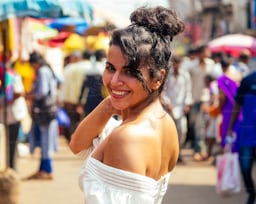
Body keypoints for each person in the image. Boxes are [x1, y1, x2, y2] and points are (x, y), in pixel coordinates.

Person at [69, 6, 184, 203]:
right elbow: (77, 145)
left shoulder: (128, 137)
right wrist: (113, 100)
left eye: (130, 72)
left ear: (157, 78)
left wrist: (118, 96)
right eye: (110, 68)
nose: (114, 81)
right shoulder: (165, 123)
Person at [25, 52, 59, 180]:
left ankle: (48, 170)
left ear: (35, 63)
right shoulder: (48, 70)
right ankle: (43, 169)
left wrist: (30, 95)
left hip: (44, 111)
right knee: (45, 140)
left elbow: (42, 92)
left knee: (46, 141)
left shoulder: (43, 71)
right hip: (48, 110)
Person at [227, 70, 256, 204]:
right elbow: (237, 105)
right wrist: (229, 128)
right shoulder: (248, 80)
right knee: (245, 167)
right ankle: (251, 193)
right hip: (248, 134)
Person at [0, 63, 28, 170]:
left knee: (12, 143)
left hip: (14, 115)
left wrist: (8, 99)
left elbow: (19, 92)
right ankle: (10, 166)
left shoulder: (13, 76)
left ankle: (12, 167)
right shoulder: (2, 77)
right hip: (7, 115)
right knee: (8, 144)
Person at [162, 55, 192, 163]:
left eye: (178, 63)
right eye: (175, 63)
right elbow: (163, 91)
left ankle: (178, 153)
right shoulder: (166, 75)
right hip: (168, 107)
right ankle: (168, 154)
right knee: (168, 131)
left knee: (182, 130)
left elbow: (188, 91)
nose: (176, 65)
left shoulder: (185, 75)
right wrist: (166, 103)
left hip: (180, 107)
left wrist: (187, 104)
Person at [78, 49, 106, 116]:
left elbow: (84, 87)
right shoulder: (104, 69)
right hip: (100, 99)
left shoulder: (89, 69)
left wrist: (80, 101)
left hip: (89, 99)